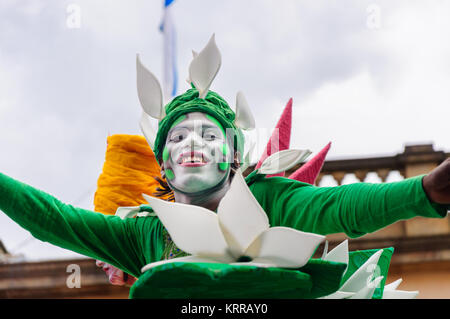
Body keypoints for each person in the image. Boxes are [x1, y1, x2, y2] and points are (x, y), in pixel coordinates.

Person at [0, 36, 448, 298]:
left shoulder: (269, 198)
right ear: (164, 165)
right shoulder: (142, 233)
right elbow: (52, 219)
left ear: (233, 154)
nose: (191, 142)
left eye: (208, 134)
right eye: (177, 137)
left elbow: (343, 207)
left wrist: (425, 191)